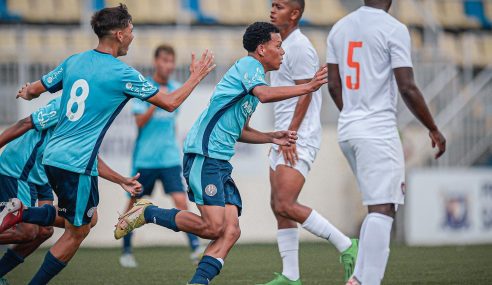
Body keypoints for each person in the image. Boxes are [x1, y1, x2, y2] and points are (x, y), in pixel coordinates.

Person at [3, 4, 215, 284]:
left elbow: (35, 89)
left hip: (56, 158)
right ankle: (24, 224)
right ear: (118, 34)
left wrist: (28, 92)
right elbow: (171, 102)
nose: (132, 35)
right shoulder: (121, 73)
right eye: (130, 30)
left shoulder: (74, 61)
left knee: (88, 221)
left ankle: (24, 213)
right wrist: (195, 77)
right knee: (76, 233)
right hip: (74, 165)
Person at [114, 21, 328, 285]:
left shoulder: (252, 81)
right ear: (261, 50)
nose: (282, 51)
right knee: (214, 227)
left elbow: (241, 131)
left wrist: (271, 136)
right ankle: (147, 213)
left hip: (219, 161)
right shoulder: (250, 67)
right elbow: (263, 94)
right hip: (204, 156)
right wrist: (307, 87)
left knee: (230, 230)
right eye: (278, 46)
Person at [326, 1, 446, 284]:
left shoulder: (339, 27)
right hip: (377, 129)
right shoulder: (393, 28)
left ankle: (358, 279)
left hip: (349, 129)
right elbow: (407, 85)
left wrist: (355, 116)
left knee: (377, 206)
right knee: (383, 207)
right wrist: (433, 128)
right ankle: (369, 281)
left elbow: (333, 84)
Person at [259, 1, 357, 284]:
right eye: (272, 4)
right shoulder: (280, 43)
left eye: (279, 5)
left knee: (287, 203)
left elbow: (307, 94)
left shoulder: (300, 46)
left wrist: (290, 134)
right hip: (284, 133)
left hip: (298, 135)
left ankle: (346, 245)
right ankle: (291, 276)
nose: (272, 9)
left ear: (295, 13)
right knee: (277, 204)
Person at [0, 97, 141, 283]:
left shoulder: (91, 115)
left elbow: (90, 157)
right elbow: (26, 122)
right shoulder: (65, 104)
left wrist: (121, 180)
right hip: (19, 168)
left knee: (44, 232)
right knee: (28, 232)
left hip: (41, 176)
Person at [120, 44, 203, 268]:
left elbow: (172, 124)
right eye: (164, 60)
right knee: (134, 204)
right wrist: (157, 101)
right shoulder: (143, 87)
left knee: (180, 200)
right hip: (145, 159)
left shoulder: (176, 87)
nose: (168, 65)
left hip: (169, 158)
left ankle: (195, 247)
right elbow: (139, 122)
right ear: (156, 62)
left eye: (171, 61)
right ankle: (126, 250)